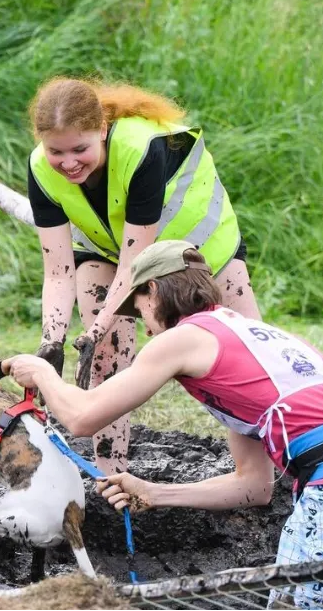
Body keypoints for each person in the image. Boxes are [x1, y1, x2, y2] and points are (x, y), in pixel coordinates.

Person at [5, 240, 323, 610]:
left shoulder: (184, 337)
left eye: (140, 308)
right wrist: (154, 492)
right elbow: (254, 488)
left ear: (154, 291)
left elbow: (81, 417)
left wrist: (42, 371)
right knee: (288, 602)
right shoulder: (250, 340)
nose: (145, 326)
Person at [27, 78, 260, 475]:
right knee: (104, 360)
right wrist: (52, 341)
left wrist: (92, 329)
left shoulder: (141, 149)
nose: (68, 163)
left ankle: (262, 473)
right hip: (108, 249)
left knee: (250, 357)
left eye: (80, 149)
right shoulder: (40, 169)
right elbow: (59, 271)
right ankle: (109, 476)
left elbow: (136, 265)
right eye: (56, 152)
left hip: (203, 249)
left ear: (101, 129)